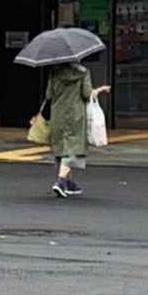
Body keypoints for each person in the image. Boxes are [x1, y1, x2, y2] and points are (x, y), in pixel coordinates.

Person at [41, 61, 108, 198]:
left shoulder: (54, 72)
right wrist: (100, 90)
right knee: (73, 148)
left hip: (58, 113)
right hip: (75, 114)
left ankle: (68, 183)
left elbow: (48, 95)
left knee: (62, 146)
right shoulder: (83, 72)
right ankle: (60, 182)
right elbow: (86, 93)